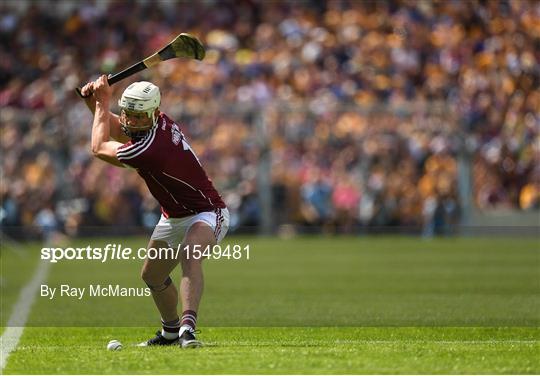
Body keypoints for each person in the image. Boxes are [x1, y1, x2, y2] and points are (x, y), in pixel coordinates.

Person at [80, 75, 229, 347]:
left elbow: (99, 147)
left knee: (190, 251)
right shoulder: (156, 124)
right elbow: (116, 128)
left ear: (155, 113)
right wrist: (96, 105)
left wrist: (102, 103)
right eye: (129, 115)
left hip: (207, 212)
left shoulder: (151, 148)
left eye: (139, 116)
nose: (132, 121)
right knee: (152, 276)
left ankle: (187, 329)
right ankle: (170, 332)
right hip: (173, 215)